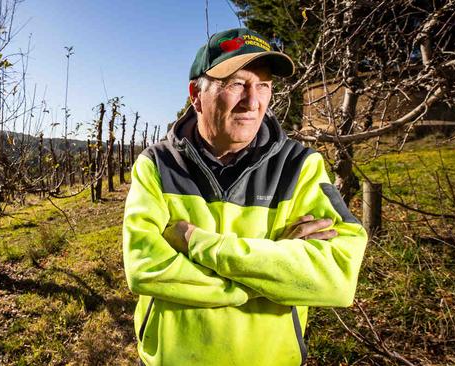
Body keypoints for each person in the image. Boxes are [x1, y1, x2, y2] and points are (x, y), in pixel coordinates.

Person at [122, 28, 368, 366]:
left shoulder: (301, 167)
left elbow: (337, 277)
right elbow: (145, 269)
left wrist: (196, 242)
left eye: (263, 85)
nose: (253, 102)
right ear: (197, 95)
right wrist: (266, 281)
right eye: (236, 84)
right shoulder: (156, 166)